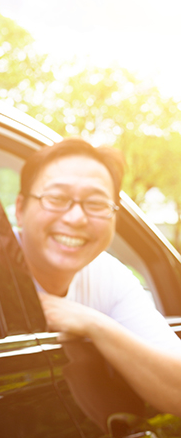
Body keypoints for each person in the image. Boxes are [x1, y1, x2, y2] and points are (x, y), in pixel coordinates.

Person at [15, 138, 181, 416]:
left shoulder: (108, 276)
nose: (76, 217)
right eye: (56, 198)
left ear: (115, 217)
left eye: (95, 203)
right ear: (20, 209)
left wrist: (95, 325)